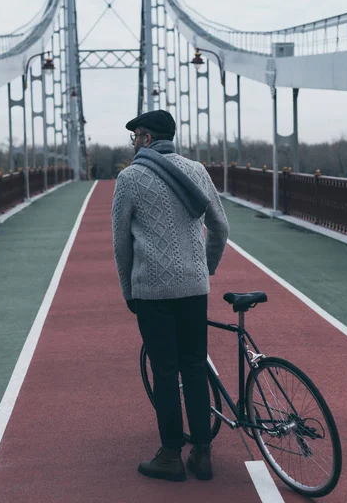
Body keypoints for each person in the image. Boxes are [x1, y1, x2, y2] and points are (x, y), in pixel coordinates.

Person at [112, 109, 229, 482]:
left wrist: (130, 290)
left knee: (165, 371)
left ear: (146, 138)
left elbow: (121, 244)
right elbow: (220, 226)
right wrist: (204, 269)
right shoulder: (197, 170)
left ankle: (170, 456)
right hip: (194, 288)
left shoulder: (130, 178)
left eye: (136, 137)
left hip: (154, 291)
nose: (133, 144)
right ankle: (203, 455)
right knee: (194, 367)